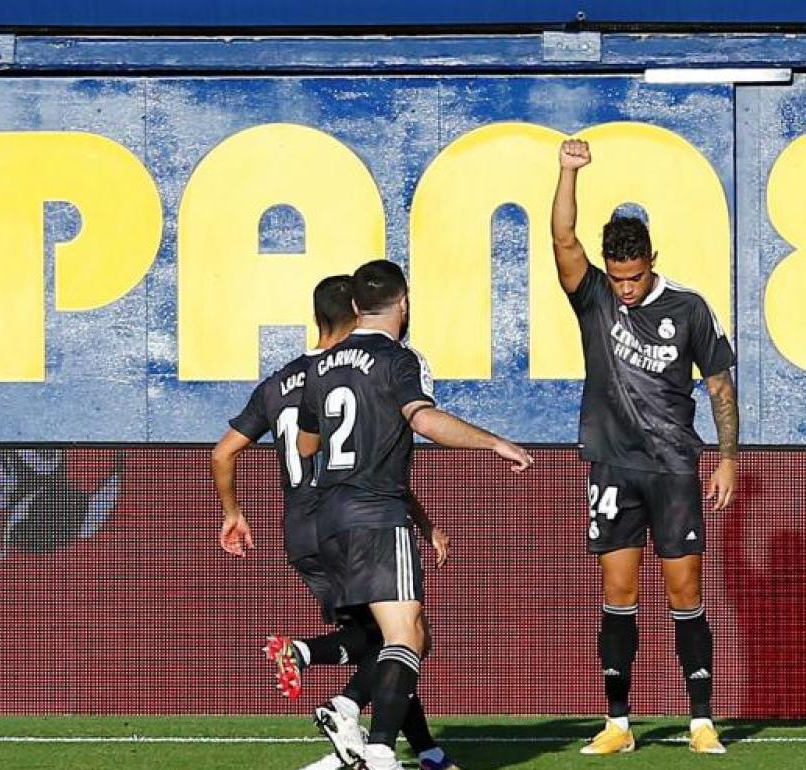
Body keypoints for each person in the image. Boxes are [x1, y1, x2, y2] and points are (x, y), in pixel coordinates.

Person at [213, 274, 460, 770]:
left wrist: (233, 514)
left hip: (303, 531)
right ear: (356, 310)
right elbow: (373, 457)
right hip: (353, 516)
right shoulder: (358, 370)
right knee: (402, 635)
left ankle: (418, 748)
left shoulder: (280, 380)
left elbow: (224, 453)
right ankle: (350, 716)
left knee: (391, 636)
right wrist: (422, 519)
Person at [296, 259, 534, 770]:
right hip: (378, 514)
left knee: (393, 637)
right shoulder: (401, 360)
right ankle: (375, 742)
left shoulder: (319, 366)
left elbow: (306, 442)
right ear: (403, 304)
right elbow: (422, 419)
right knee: (408, 635)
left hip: (328, 519)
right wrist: (493, 442)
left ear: (356, 308)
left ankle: (357, 730)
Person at [550, 138, 739, 755]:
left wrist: (729, 457)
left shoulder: (688, 309)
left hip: (673, 467)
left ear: (652, 262)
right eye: (618, 277)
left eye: (634, 277)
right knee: (618, 591)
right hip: (610, 464)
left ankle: (701, 720)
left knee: (685, 591)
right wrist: (566, 174)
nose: (625, 288)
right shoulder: (596, 297)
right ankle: (618, 724)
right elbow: (563, 241)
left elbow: (719, 384)